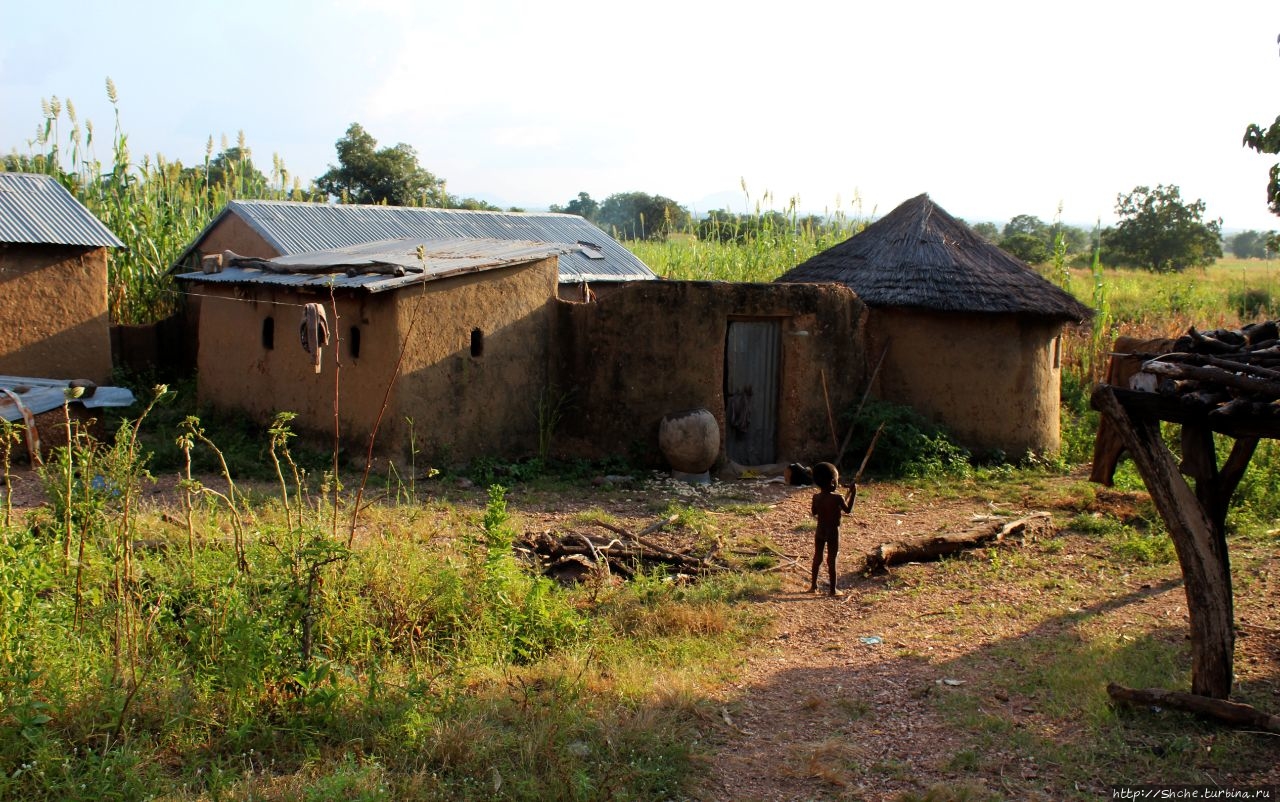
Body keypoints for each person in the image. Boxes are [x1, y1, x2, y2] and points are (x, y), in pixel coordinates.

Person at [808, 461, 855, 596]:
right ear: (833, 482)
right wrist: (853, 493)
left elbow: (814, 512)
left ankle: (813, 586)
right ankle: (833, 590)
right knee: (832, 560)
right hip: (833, 532)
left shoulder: (816, 497)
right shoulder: (838, 498)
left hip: (820, 531)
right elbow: (848, 510)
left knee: (817, 558)